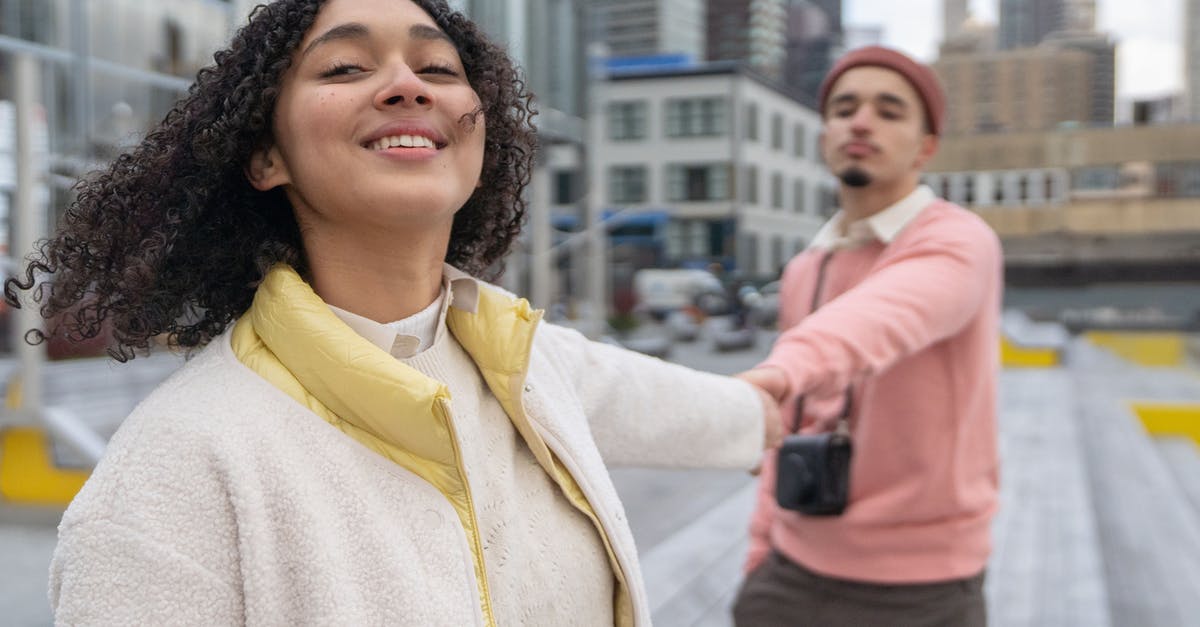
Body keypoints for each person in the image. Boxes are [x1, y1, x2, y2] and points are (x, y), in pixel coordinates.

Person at [4, 1, 782, 624]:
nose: (408, 84)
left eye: (437, 65)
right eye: (344, 65)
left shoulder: (525, 360)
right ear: (263, 156)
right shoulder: (173, 474)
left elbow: (738, 412)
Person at [731, 46, 1002, 626]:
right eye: (845, 107)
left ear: (926, 146)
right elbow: (792, 424)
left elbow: (883, 315)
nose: (861, 121)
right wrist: (760, 553)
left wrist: (778, 371)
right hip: (791, 571)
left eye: (889, 110)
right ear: (824, 133)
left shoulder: (960, 241)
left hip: (922, 587)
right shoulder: (808, 267)